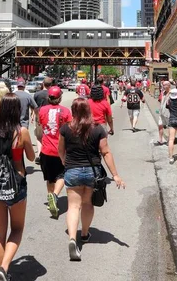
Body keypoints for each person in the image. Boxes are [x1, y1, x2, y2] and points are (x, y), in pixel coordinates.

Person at [58, 98, 125, 261]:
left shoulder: (66, 128)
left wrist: (66, 163)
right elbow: (106, 152)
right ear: (88, 110)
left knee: (73, 206)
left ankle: (72, 239)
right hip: (92, 172)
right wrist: (115, 175)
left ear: (73, 111)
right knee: (87, 204)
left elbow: (60, 150)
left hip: (72, 170)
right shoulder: (97, 129)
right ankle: (85, 233)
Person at [0, 93, 35, 281]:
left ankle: (2, 271)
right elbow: (31, 157)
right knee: (17, 229)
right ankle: (5, 267)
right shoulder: (21, 132)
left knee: (0, 230)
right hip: (17, 183)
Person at [39, 86, 72, 218]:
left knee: (50, 178)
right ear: (60, 98)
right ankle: (55, 195)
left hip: (46, 149)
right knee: (63, 175)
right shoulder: (65, 111)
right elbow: (70, 129)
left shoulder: (42, 110)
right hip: (61, 150)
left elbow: (41, 125)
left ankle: (50, 200)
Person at [33, 77, 53, 164]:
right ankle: (49, 154)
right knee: (50, 135)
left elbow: (34, 107)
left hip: (40, 116)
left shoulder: (37, 94)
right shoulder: (52, 94)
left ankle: (39, 155)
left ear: (43, 84)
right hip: (51, 117)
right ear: (51, 85)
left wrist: (34, 115)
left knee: (39, 136)